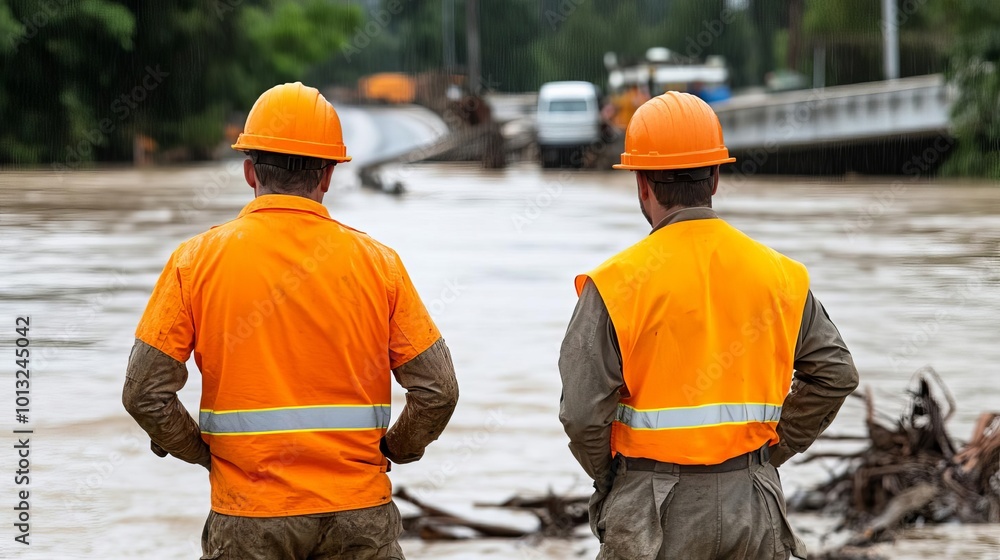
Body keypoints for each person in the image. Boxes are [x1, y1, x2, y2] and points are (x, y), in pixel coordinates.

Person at [123, 82, 459, 559]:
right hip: (358, 515)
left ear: (249, 171)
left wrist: (202, 452)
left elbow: (143, 392)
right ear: (328, 175)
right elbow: (438, 390)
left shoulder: (194, 262)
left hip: (248, 517)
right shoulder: (379, 264)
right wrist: (398, 449)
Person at [558, 91, 859, 560]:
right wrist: (768, 454)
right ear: (716, 177)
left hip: (651, 510)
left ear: (642, 183)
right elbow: (835, 375)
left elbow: (581, 415)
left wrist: (611, 477)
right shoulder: (779, 275)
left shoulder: (616, 285)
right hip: (752, 506)